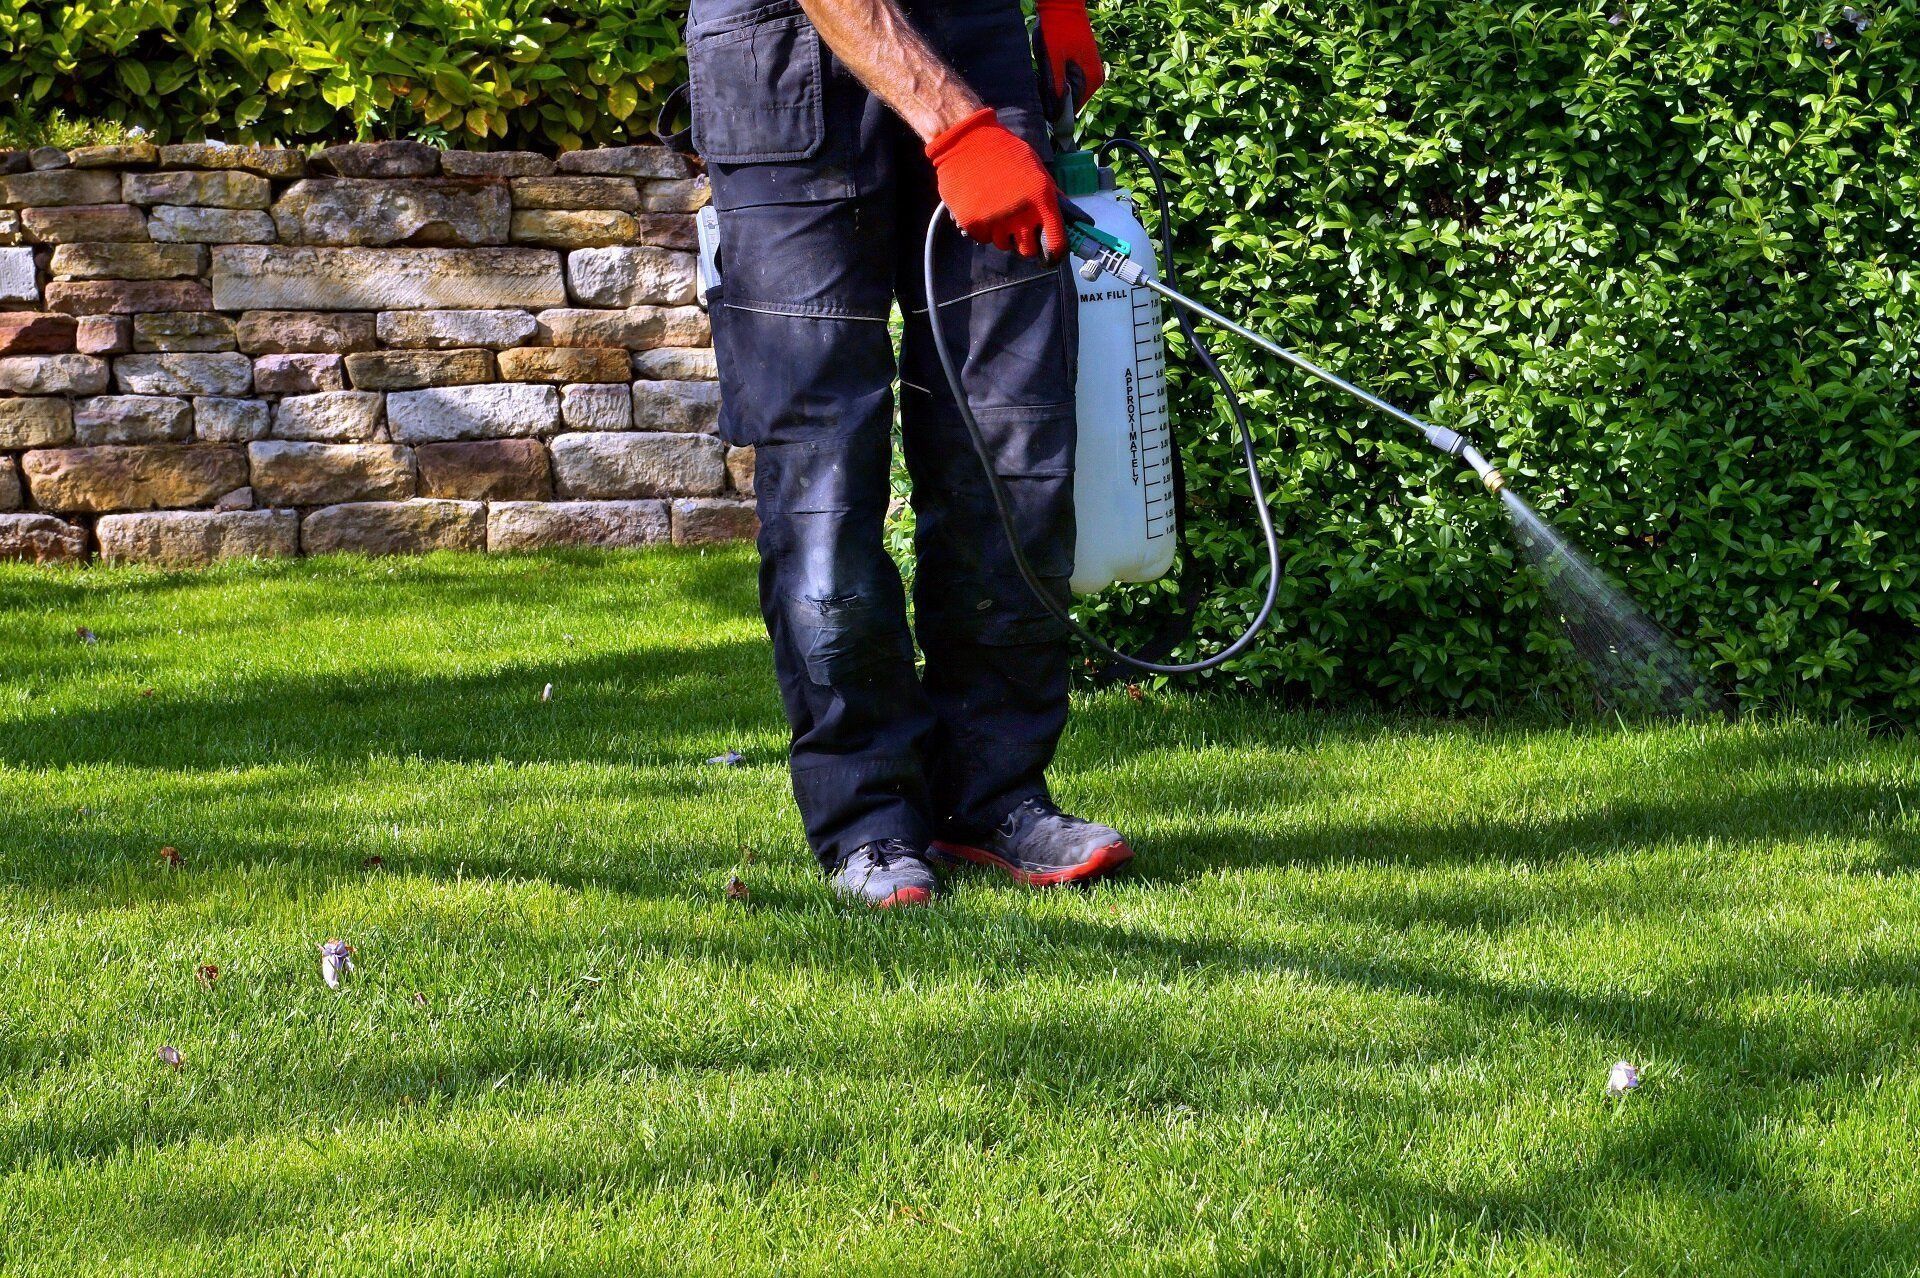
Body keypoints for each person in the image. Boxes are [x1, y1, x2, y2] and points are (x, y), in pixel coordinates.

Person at [688, 0, 1132, 906]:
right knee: (823, 474)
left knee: (1014, 446)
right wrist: (955, 124)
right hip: (782, 59)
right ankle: (870, 817)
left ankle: (997, 794)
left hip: (979, 45)